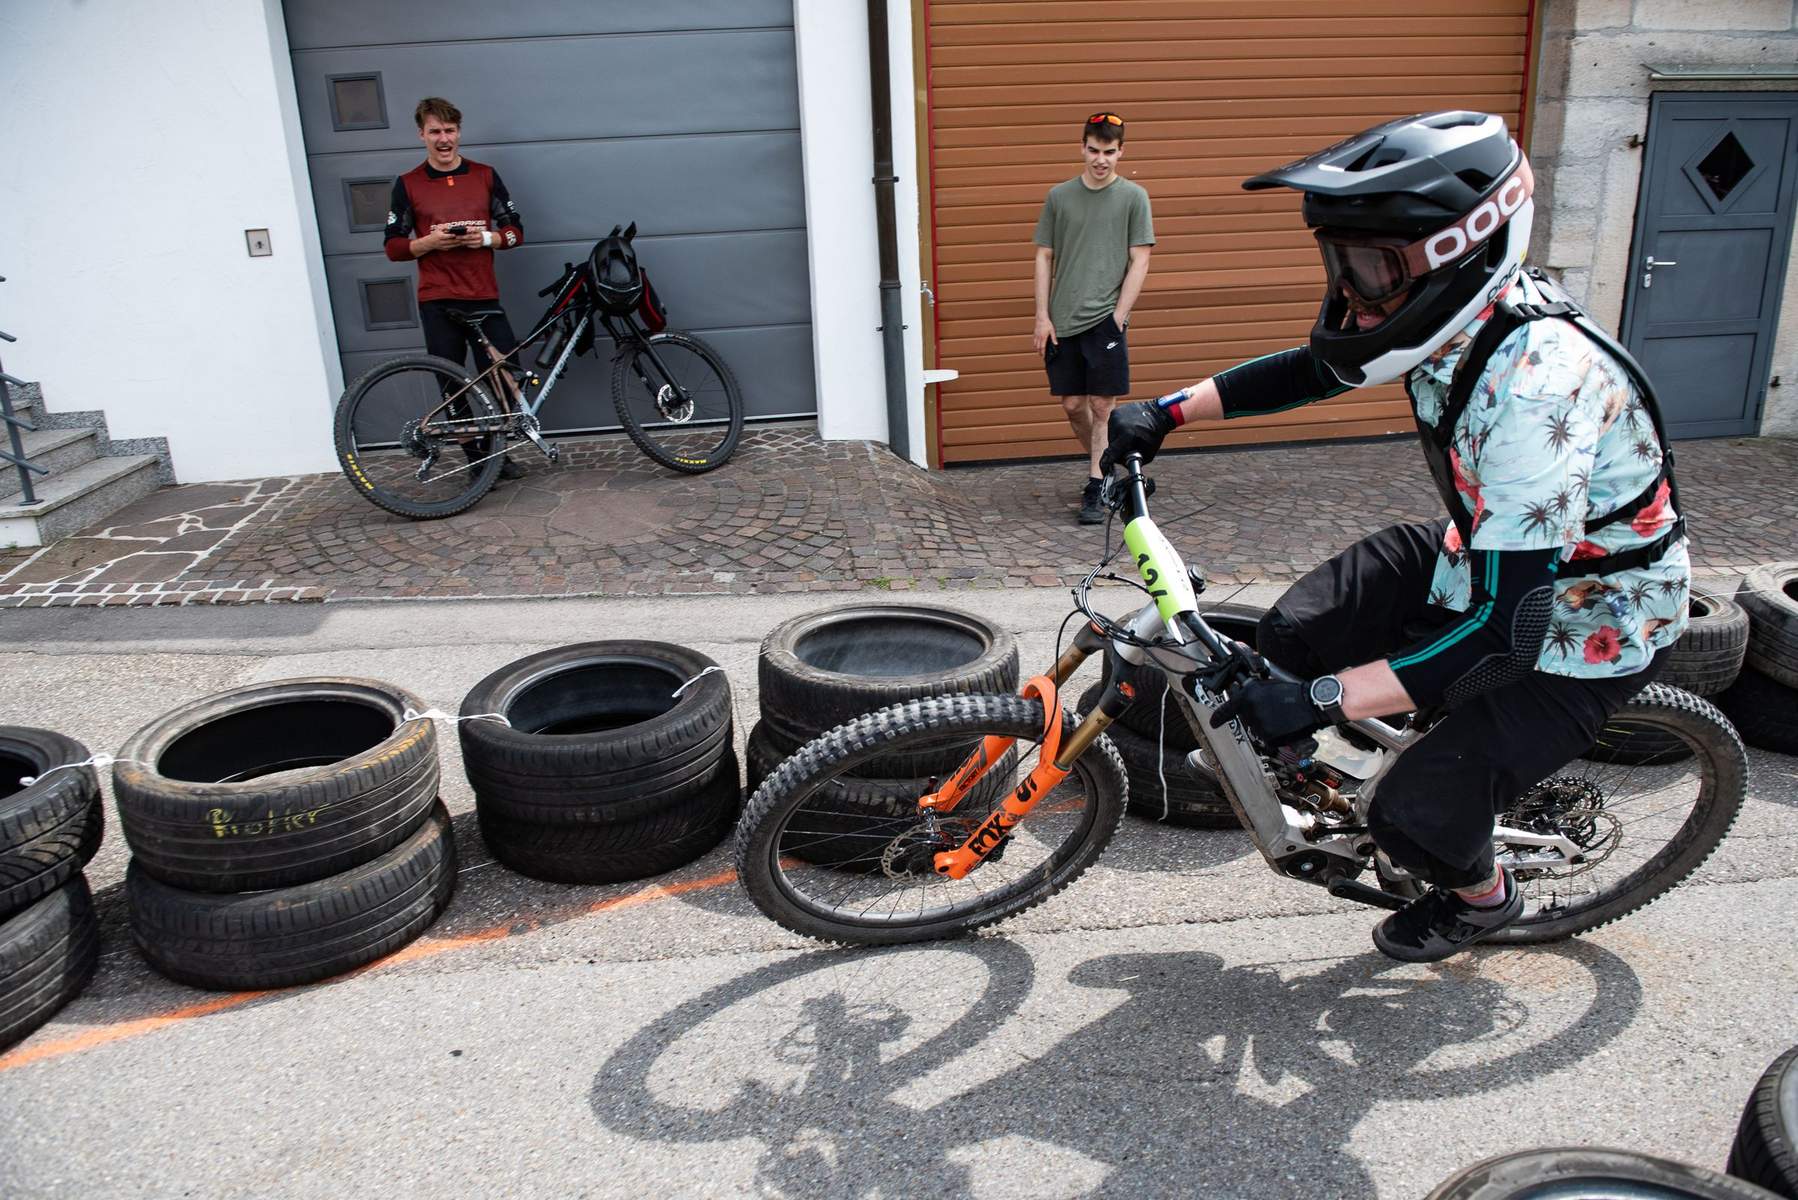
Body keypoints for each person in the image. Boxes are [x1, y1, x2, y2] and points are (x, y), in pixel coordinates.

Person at [1101, 111, 1690, 963]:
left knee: (1411, 817)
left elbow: (1506, 630)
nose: (1348, 290)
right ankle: (1323, 749)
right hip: (1488, 556)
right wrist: (1166, 413)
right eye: (1339, 261)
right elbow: (1318, 368)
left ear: (1460, 251)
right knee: (1297, 629)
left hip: (1583, 623)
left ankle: (1484, 898)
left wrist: (1320, 699)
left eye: (1369, 267)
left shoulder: (1537, 392)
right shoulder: (1459, 313)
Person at [384, 96, 528, 479]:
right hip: (437, 299)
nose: (443, 139)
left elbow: (516, 231)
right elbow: (393, 247)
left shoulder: (484, 175)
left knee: (505, 376)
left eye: (449, 130)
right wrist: (428, 243)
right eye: (435, 132)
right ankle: (475, 461)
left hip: (483, 295)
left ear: (459, 132)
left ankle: (500, 453)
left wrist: (485, 239)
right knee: (452, 384)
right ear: (421, 135)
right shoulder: (408, 184)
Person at [1033, 112, 1154, 524]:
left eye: (1109, 152)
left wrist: (1119, 315)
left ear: (1121, 152)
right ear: (1082, 148)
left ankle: (1096, 486)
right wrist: (1042, 316)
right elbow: (1044, 256)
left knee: (1102, 406)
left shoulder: (1133, 198)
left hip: (1106, 319)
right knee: (1072, 405)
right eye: (1094, 150)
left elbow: (1140, 259)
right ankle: (1107, 464)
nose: (1101, 159)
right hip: (1063, 319)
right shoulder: (1059, 197)